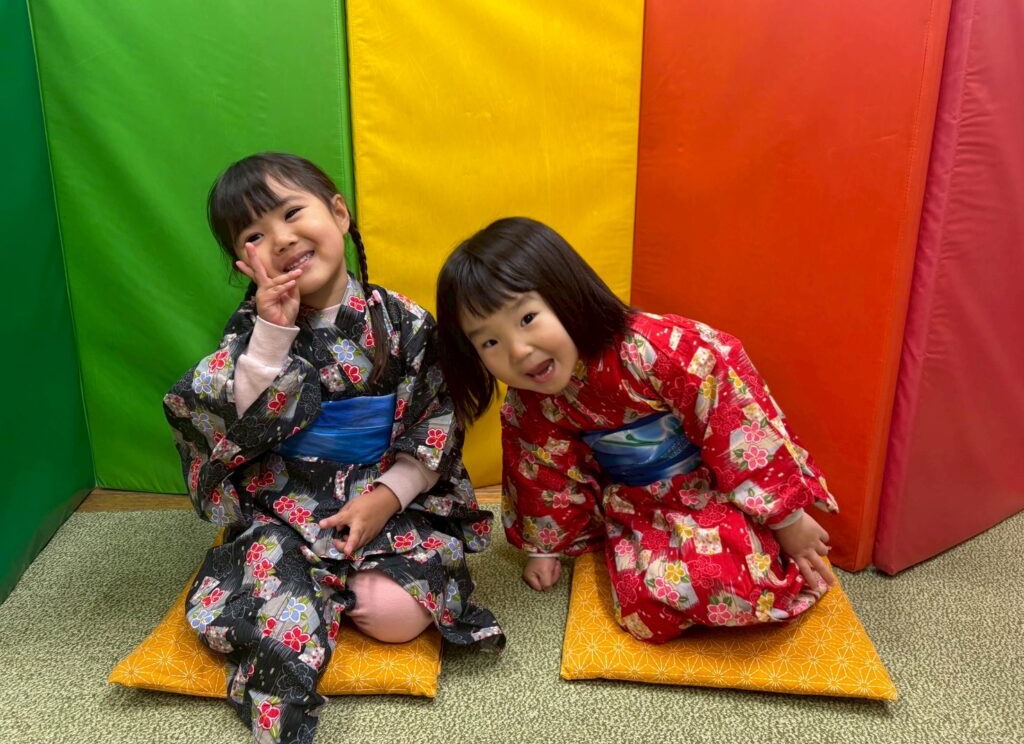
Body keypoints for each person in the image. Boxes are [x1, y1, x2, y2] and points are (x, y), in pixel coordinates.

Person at [164, 153, 503, 743]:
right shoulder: (252, 330)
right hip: (287, 503)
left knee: (399, 616)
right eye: (254, 236)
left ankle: (332, 589)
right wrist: (271, 340)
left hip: (385, 496)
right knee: (275, 605)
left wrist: (385, 499)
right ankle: (299, 612)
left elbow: (436, 420)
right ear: (243, 263)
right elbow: (225, 422)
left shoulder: (404, 322)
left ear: (339, 214)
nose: (282, 240)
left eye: (293, 213)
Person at [435, 217, 838, 644]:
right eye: (490, 342)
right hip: (637, 503)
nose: (518, 351)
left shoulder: (658, 350)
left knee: (736, 580)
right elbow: (541, 473)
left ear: (566, 294)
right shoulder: (530, 403)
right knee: (643, 608)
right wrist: (545, 547)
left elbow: (737, 427)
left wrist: (787, 518)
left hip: (717, 487)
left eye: (528, 317)